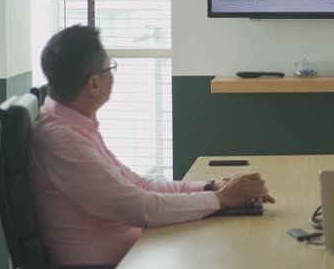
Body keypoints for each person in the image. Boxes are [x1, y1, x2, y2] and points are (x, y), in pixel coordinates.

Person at [29, 25, 276, 267]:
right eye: (110, 68)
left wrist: (212, 186)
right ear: (93, 84)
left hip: (140, 250)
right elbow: (141, 208)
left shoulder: (75, 126)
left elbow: (142, 186)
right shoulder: (62, 141)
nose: (112, 75)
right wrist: (221, 199)